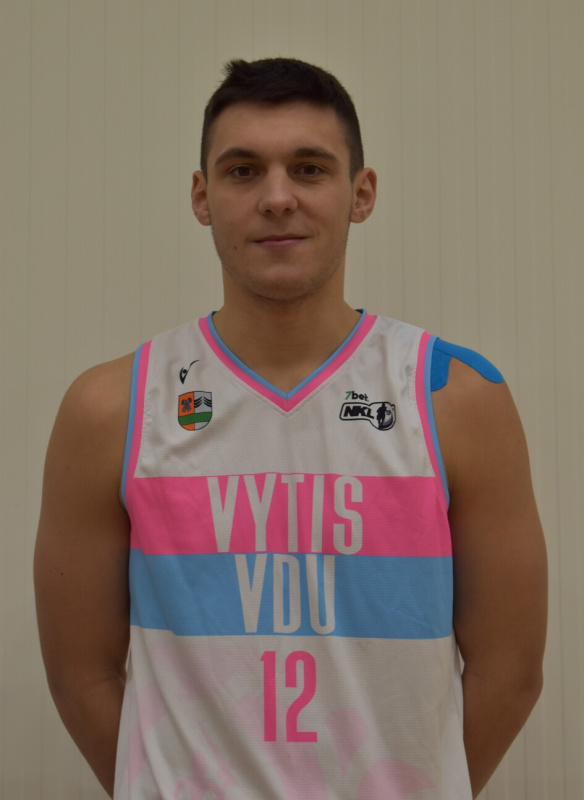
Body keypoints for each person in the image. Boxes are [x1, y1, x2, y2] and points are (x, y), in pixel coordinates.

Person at [34, 58, 547, 799]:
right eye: (243, 171)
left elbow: (511, 672)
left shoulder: (456, 400)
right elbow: (80, 675)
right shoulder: (112, 408)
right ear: (202, 196)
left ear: (361, 193)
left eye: (309, 168)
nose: (277, 198)